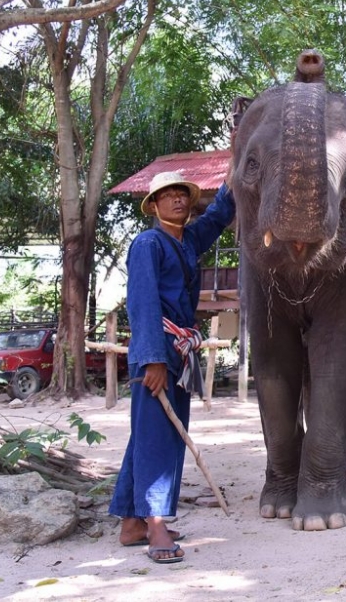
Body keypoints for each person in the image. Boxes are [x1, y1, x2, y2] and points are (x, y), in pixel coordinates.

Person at [109, 171, 236, 564]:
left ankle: (132, 523)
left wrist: (235, 176)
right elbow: (142, 303)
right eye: (169, 195)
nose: (178, 200)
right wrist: (152, 360)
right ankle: (157, 523)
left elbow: (215, 218)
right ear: (154, 205)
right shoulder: (148, 243)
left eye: (183, 194)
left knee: (158, 433)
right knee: (155, 437)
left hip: (179, 349)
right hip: (158, 349)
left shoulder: (187, 241)